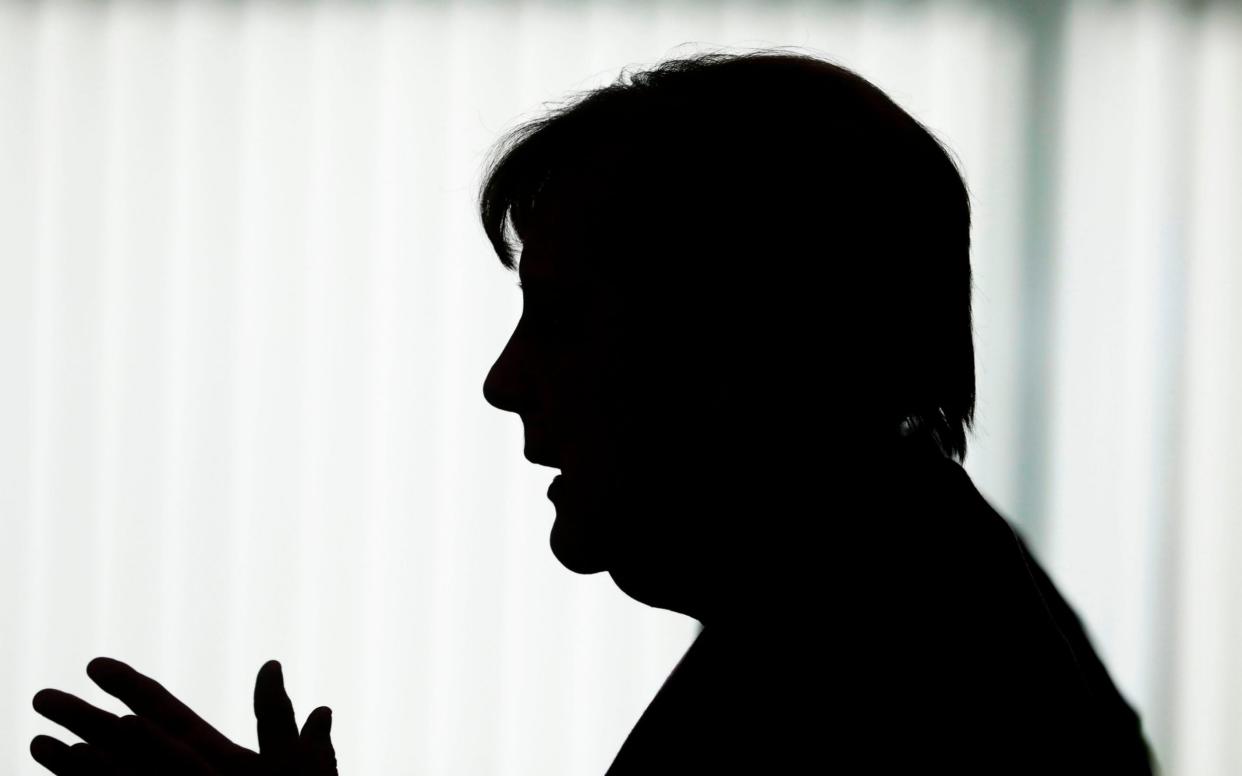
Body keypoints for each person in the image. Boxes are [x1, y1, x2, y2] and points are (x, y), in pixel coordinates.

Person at [31, 49, 1158, 774]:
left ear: (743, 340)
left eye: (564, 318)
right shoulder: (885, 604)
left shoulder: (885, 685)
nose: (505, 380)